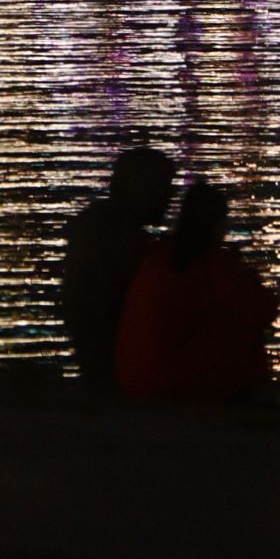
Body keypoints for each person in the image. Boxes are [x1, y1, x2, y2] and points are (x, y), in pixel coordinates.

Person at [115, 179, 277, 403]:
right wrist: (241, 271)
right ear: (216, 224)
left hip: (133, 376)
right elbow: (263, 309)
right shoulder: (207, 265)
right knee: (244, 331)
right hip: (167, 383)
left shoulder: (157, 259)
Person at [54, 145, 175, 384]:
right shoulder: (126, 246)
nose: (170, 199)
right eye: (165, 189)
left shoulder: (98, 231)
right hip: (115, 361)